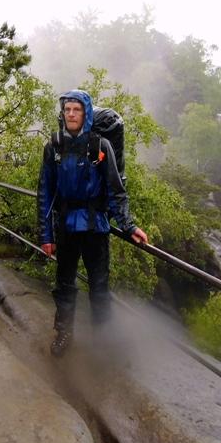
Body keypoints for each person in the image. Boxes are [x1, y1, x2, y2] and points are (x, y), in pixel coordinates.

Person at [37, 90, 148, 357]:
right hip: (65, 227)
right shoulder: (54, 147)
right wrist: (46, 235)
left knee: (99, 286)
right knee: (64, 284)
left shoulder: (101, 147)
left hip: (96, 227)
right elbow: (45, 193)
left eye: (77, 110)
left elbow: (115, 190)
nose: (72, 114)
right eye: (68, 110)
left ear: (86, 113)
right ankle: (64, 332)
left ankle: (103, 338)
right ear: (63, 114)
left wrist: (128, 225)